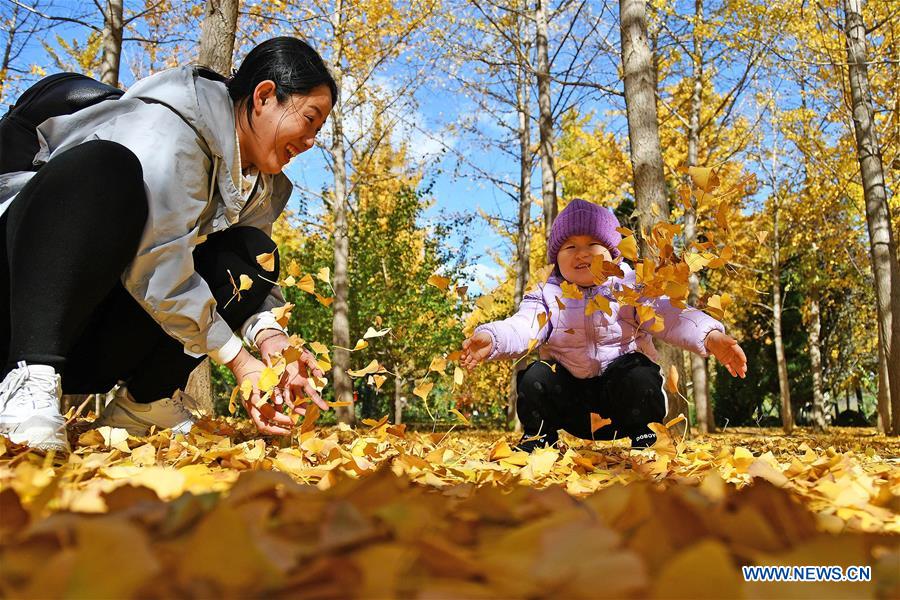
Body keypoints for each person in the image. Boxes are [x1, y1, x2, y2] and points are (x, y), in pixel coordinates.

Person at [0, 37, 337, 453]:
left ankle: (146, 403)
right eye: (309, 118)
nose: (311, 140)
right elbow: (157, 262)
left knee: (252, 255)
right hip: (20, 306)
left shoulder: (258, 185)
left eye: (318, 129)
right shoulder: (165, 127)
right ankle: (28, 376)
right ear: (264, 96)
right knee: (104, 168)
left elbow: (247, 278)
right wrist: (239, 361)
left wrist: (272, 341)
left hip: (91, 338)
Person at [460, 198, 747, 452]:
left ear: (613, 253)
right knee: (536, 375)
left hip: (621, 401)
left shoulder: (630, 286)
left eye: (592, 245)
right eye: (570, 246)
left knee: (639, 372)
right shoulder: (546, 294)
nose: (581, 253)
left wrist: (710, 336)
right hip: (572, 404)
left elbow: (669, 314)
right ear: (556, 258)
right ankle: (538, 440)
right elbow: (523, 326)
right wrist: (492, 337)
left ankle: (647, 439)